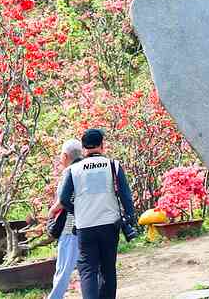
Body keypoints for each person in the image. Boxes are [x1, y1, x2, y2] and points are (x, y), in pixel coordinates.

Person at [57, 127, 137, 299]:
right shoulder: (113, 165)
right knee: (108, 269)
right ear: (102, 145)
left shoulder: (74, 169)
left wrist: (77, 211)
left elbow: (63, 199)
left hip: (85, 226)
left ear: (84, 147)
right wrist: (129, 217)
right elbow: (125, 195)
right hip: (110, 224)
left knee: (87, 271)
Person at [46, 138, 82, 299]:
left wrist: (51, 212)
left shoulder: (69, 172)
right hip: (86, 224)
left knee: (63, 268)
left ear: (65, 156)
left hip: (69, 226)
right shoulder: (84, 169)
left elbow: (63, 200)